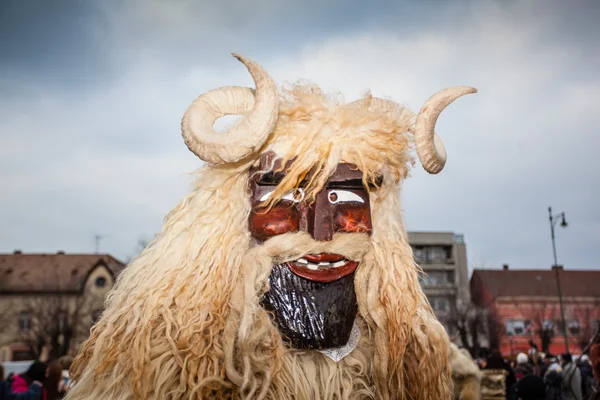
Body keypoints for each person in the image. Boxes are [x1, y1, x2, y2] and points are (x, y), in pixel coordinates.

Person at [63, 54, 478, 399]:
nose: (321, 233)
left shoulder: (406, 371)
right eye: (284, 198)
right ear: (230, 215)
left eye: (345, 198)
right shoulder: (163, 370)